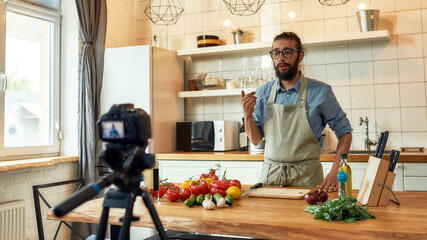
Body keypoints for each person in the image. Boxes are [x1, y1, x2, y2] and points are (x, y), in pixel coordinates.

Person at [241, 32, 352, 192]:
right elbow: (256, 139)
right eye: (276, 53)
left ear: (300, 56)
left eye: (287, 52)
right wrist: (247, 116)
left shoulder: (320, 92)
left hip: (308, 179)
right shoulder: (263, 93)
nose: (281, 58)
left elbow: (345, 133)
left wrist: (337, 170)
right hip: (270, 178)